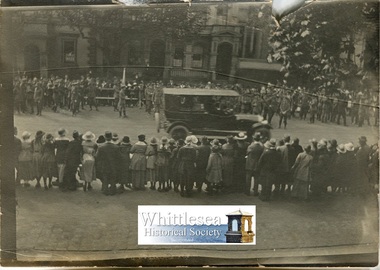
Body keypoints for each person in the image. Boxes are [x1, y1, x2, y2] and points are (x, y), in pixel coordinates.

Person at [96, 131, 122, 195]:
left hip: (104, 165)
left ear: (105, 137)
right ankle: (113, 190)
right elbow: (119, 157)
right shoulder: (116, 147)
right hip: (113, 165)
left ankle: (105, 190)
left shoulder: (101, 147)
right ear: (111, 137)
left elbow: (97, 157)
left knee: (105, 178)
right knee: (113, 177)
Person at [245, 132, 264, 196]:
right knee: (256, 179)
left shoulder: (251, 146)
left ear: (254, 138)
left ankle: (247, 191)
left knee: (248, 178)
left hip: (250, 164)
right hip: (257, 164)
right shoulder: (261, 146)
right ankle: (255, 191)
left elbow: (247, 153)